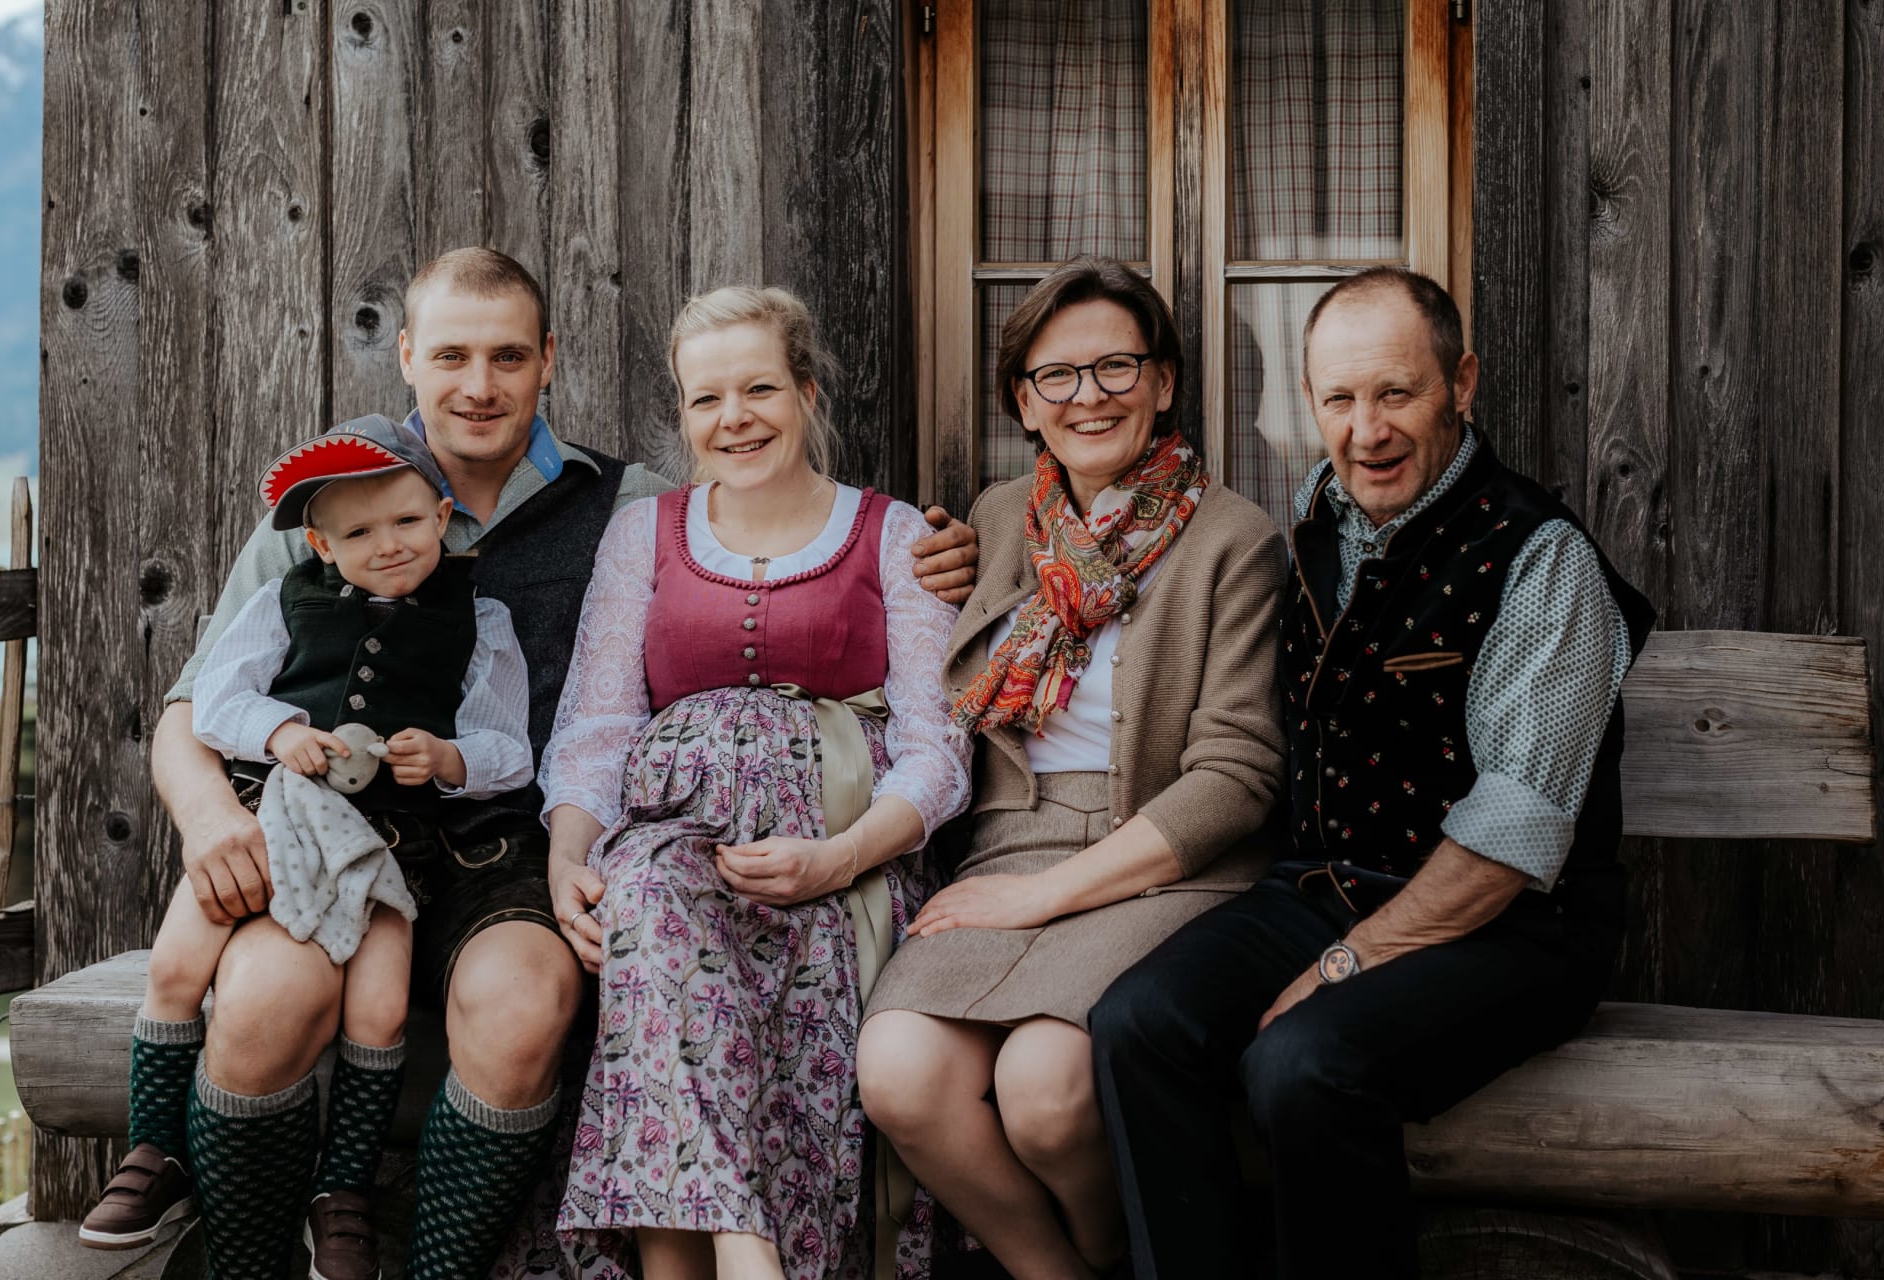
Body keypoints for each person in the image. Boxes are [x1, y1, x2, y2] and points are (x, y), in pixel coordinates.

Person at [148, 249, 979, 1280]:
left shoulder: (629, 503)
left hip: (504, 852)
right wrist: (211, 820)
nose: (479, 384)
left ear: (548, 359)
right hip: (334, 840)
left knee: (524, 1005)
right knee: (265, 1000)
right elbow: (194, 704)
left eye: (507, 355)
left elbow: (765, 528)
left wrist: (939, 556)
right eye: (451, 355)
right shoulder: (328, 502)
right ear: (406, 357)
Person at [1090, 266, 1657, 1279]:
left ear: (1461, 383)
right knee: (1137, 1025)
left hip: (1515, 929)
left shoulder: (1541, 559)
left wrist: (1340, 966)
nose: (1367, 431)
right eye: (1340, 399)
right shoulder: (1320, 513)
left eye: (1397, 393)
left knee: (1302, 1065)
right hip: (1325, 885)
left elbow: (1508, 843)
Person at [506, 284, 969, 1280]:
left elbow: (938, 750)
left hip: (840, 850)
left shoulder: (891, 534)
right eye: (706, 398)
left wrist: (838, 857)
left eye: (759, 388)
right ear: (682, 412)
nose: (735, 418)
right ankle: (745, 1251)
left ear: (806, 393)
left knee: (703, 964)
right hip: (675, 835)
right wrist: (567, 859)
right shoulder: (645, 532)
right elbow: (598, 723)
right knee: (647, 902)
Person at [854, 257, 1287, 1279]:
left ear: (1164, 381)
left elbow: (1237, 777)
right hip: (1008, 846)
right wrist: (936, 567)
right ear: (1024, 400)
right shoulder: (1000, 519)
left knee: (1048, 1092)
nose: (1088, 396)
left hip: (1161, 861)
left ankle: (1113, 1252)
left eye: (1115, 367)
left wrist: (1042, 897)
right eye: (1057, 375)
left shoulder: (1236, 540)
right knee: (900, 1072)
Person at [81, 416, 533, 1279]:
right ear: (321, 544)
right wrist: (281, 730)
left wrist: (450, 759)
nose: (388, 544)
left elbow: (508, 747)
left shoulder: (481, 618)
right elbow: (217, 700)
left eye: (407, 521)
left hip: (391, 844)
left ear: (443, 516)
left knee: (380, 1010)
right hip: (274, 815)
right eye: (358, 533)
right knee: (177, 967)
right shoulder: (284, 598)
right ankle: (156, 1151)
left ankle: (342, 1189)